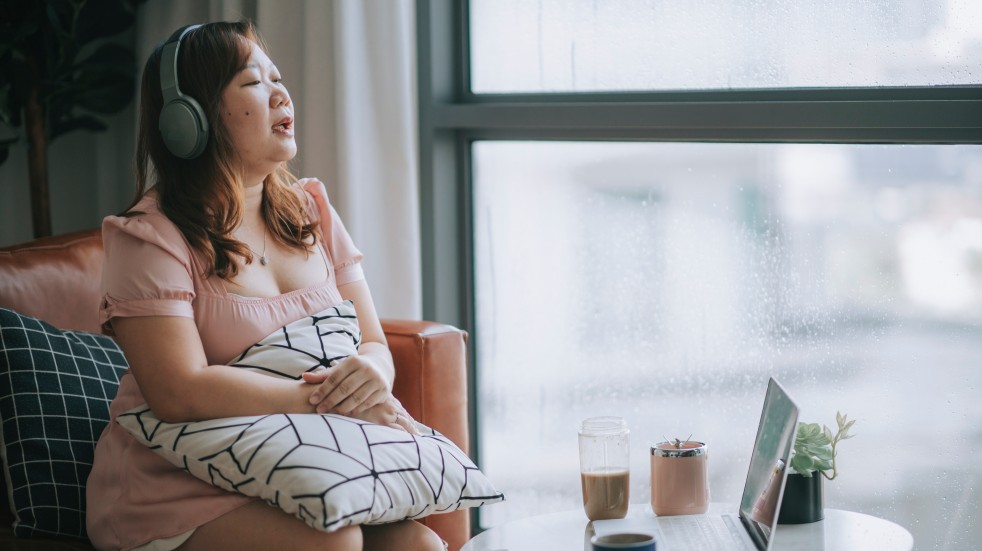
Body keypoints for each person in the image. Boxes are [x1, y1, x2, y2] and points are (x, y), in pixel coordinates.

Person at [86, 21, 445, 551]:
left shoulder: (311, 209)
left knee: (422, 545)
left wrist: (370, 372)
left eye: (276, 76)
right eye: (252, 82)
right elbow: (178, 391)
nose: (281, 92)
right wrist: (329, 398)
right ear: (190, 119)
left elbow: (372, 341)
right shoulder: (150, 238)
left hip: (301, 460)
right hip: (176, 483)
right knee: (335, 543)